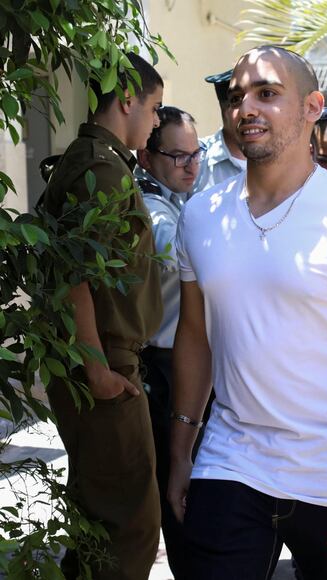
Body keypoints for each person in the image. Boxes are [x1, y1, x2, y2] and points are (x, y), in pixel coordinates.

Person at [167, 45, 327, 580]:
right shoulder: (202, 215)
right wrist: (182, 449)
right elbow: (194, 336)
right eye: (237, 98)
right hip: (230, 460)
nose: (246, 108)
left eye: (267, 94)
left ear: (312, 108)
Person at [40, 53, 164, 580]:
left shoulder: (95, 158)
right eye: (155, 107)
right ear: (128, 99)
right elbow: (74, 279)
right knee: (131, 524)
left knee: (102, 517)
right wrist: (97, 369)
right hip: (105, 362)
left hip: (103, 359)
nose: (157, 121)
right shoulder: (101, 167)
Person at [135, 105, 204, 578]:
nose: (190, 165)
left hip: (189, 360)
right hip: (163, 364)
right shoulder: (154, 214)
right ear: (146, 157)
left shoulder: (181, 205)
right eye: (177, 156)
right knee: (177, 489)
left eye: (196, 154)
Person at [192, 69, 246, 193]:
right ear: (224, 110)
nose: (250, 113)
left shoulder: (279, 156)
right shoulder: (196, 158)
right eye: (235, 102)